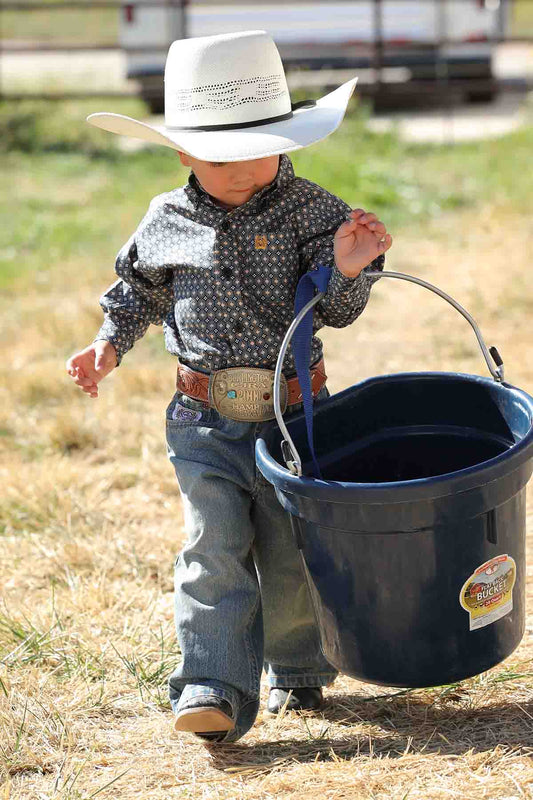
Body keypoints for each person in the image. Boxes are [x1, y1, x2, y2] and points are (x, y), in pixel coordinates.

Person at [66, 30, 392, 743]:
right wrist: (106, 346)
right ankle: (211, 685)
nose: (243, 169)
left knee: (288, 547)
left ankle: (299, 672)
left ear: (288, 142)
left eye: (260, 149)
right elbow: (134, 295)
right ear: (182, 151)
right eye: (219, 157)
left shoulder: (314, 212)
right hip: (201, 416)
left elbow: (333, 312)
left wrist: (347, 266)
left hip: (296, 415)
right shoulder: (165, 220)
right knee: (212, 544)